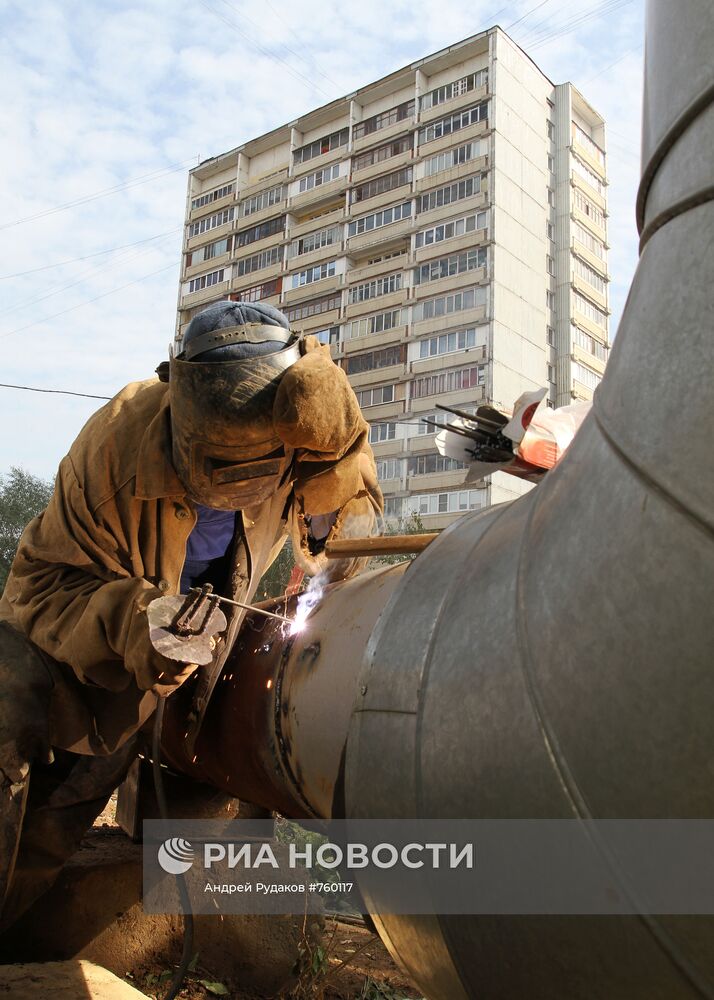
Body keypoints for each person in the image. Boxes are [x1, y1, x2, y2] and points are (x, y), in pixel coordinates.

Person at [0, 299, 383, 929]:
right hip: (61, 643)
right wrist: (137, 621)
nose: (238, 490)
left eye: (255, 474)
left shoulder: (304, 426)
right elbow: (42, 585)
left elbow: (347, 541)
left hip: (158, 673)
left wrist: (337, 466)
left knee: (50, 830)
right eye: (220, 470)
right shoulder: (114, 446)